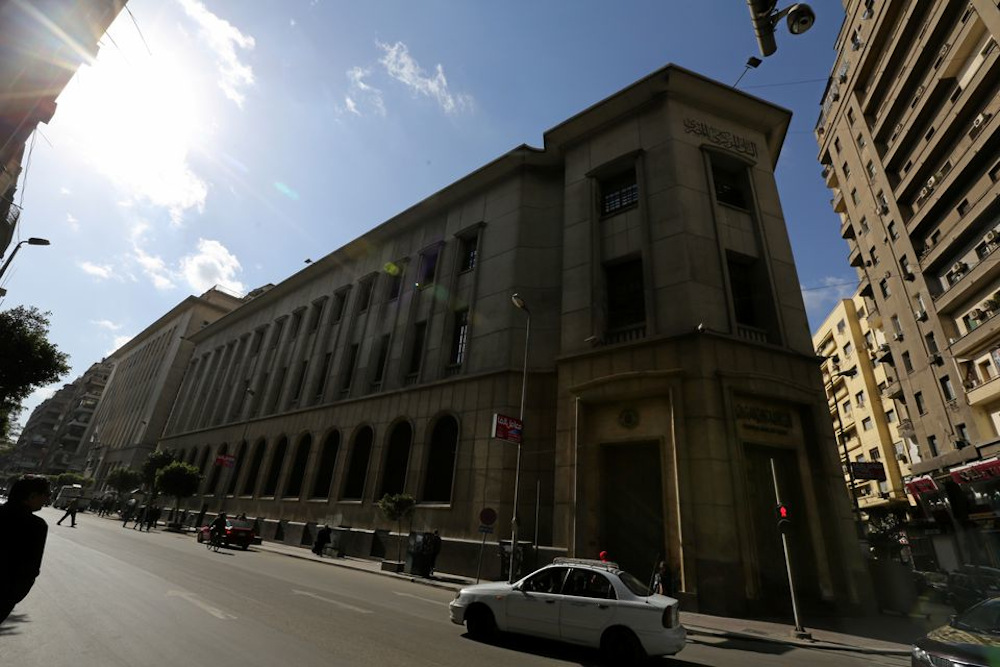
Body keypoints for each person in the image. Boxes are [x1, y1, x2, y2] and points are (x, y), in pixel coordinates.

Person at [0, 476, 51, 623]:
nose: (47, 499)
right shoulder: (36, 526)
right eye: (46, 494)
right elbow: (31, 569)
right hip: (4, 595)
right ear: (32, 496)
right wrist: (13, 597)